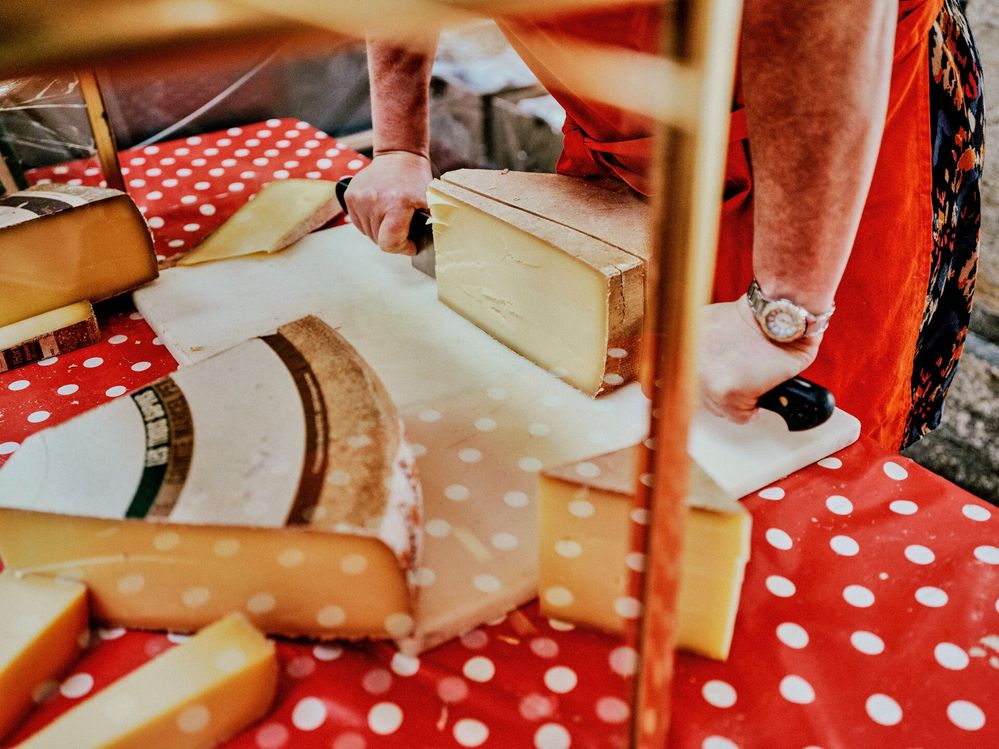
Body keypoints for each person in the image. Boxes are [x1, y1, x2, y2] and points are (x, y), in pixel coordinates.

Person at [345, 0, 984, 451]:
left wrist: (785, 312)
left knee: (782, 458)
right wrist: (400, 144)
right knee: (594, 415)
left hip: (822, 125)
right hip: (626, 124)